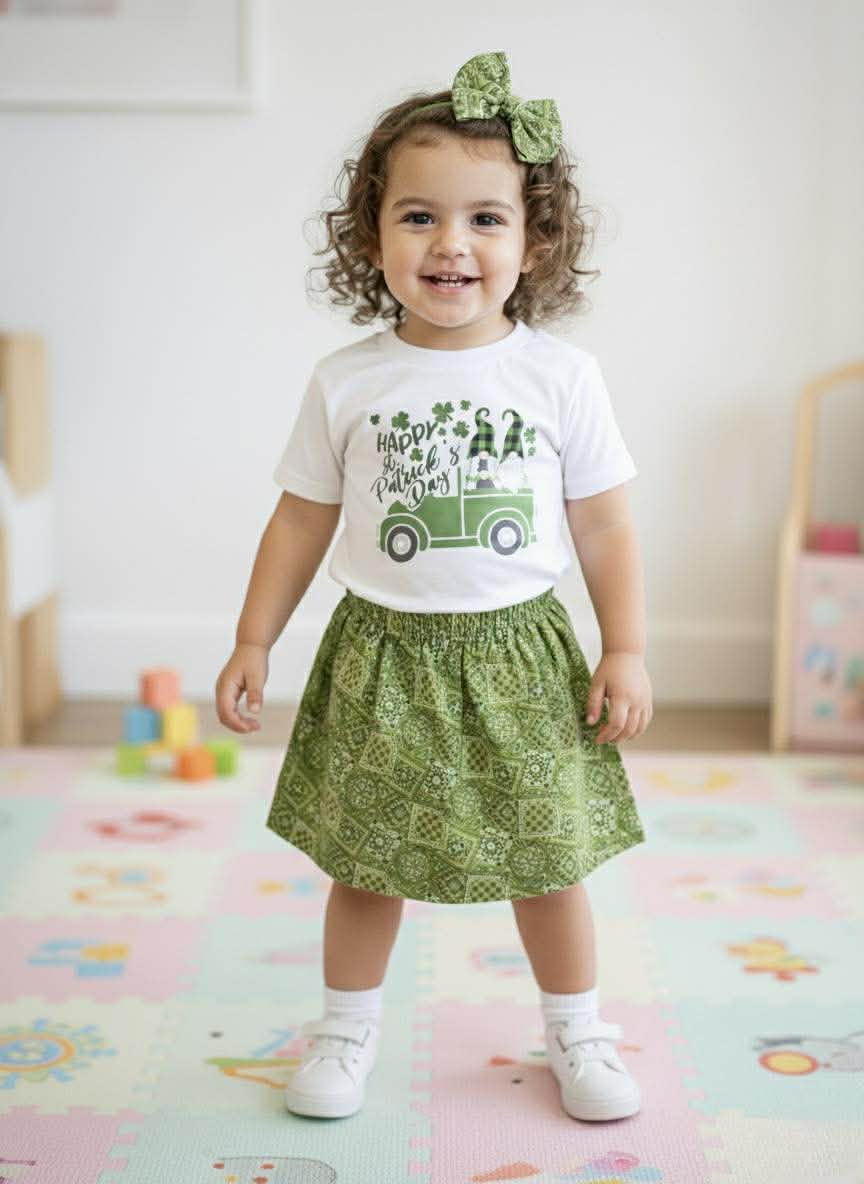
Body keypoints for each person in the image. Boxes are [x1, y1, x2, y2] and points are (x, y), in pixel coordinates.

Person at [215, 50, 653, 1126]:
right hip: (385, 656)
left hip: (521, 657)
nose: (451, 244)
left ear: (533, 240)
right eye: (418, 216)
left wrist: (627, 644)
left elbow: (603, 520)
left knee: (548, 862)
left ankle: (578, 1027)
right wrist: (253, 639)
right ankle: (347, 1026)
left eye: (485, 220)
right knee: (368, 865)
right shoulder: (349, 380)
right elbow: (302, 519)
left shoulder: (560, 377)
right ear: (372, 236)